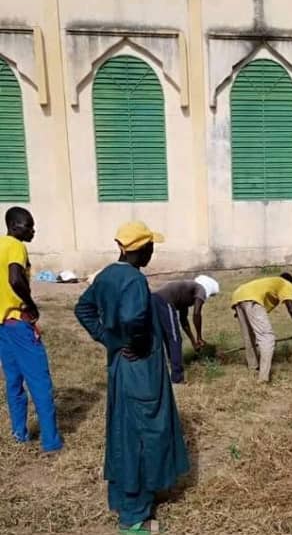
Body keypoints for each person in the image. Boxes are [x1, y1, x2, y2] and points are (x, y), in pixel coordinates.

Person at [74, 221, 189, 535]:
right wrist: (132, 341)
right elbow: (132, 317)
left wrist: (110, 340)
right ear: (142, 249)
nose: (153, 252)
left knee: (125, 432)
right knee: (144, 435)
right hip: (140, 370)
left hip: (120, 368)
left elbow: (82, 309)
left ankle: (135, 500)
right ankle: (134, 518)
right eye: (151, 246)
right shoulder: (135, 281)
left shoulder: (108, 274)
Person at [0, 207, 62, 452]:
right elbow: (16, 279)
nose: (32, 231)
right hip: (19, 322)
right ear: (14, 226)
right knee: (39, 381)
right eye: (28, 226)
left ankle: (19, 433)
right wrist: (32, 305)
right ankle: (51, 442)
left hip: (2, 325)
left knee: (13, 380)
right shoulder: (15, 245)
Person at [231, 272, 292, 383]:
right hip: (251, 298)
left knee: (249, 336)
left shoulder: (271, 282)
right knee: (267, 338)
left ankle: (253, 368)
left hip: (238, 295)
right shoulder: (286, 284)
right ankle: (263, 378)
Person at [153, 275, 219, 383]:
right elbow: (197, 314)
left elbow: (184, 321)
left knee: (165, 337)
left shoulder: (185, 294)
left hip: (154, 299)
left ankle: (169, 369)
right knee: (174, 338)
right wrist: (199, 337)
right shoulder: (201, 289)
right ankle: (177, 378)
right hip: (164, 300)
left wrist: (193, 341)